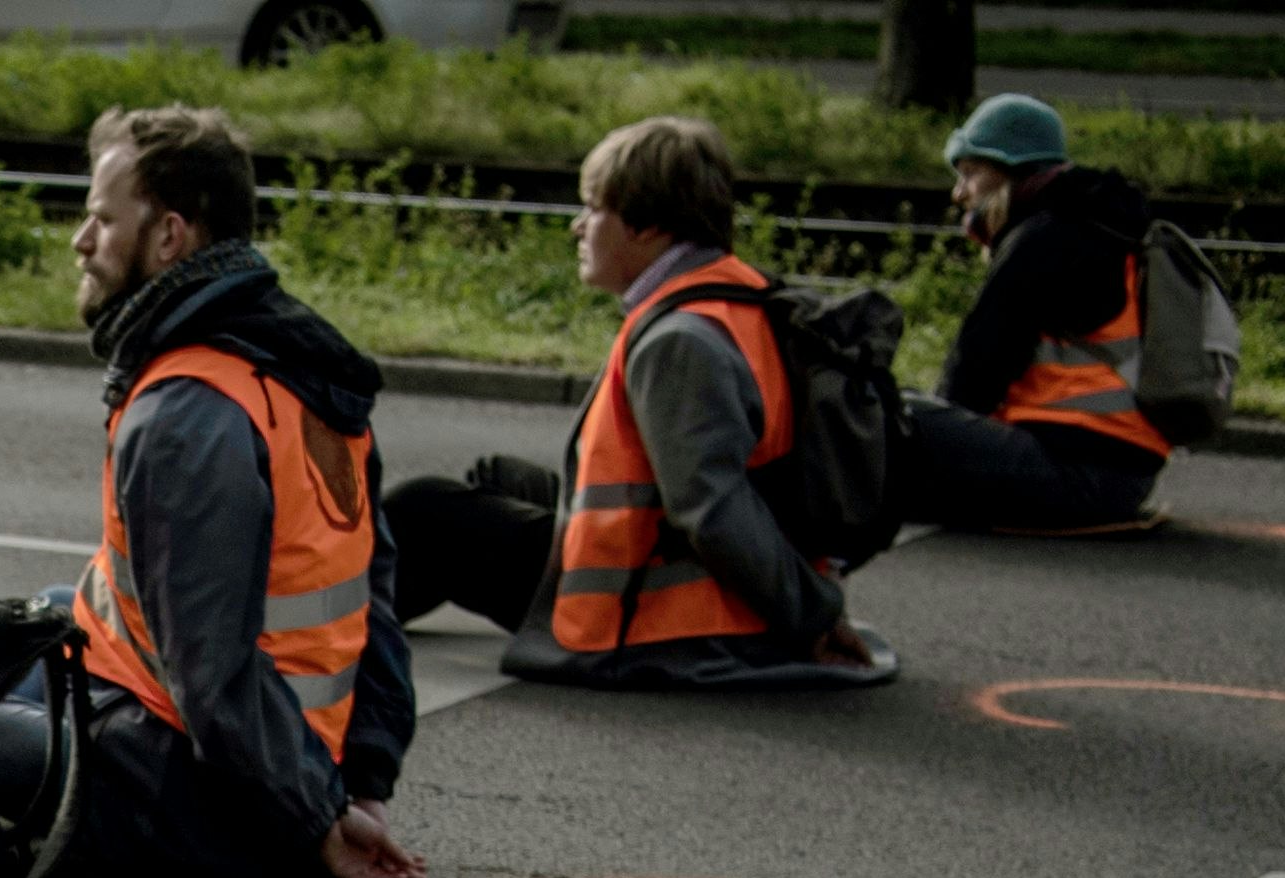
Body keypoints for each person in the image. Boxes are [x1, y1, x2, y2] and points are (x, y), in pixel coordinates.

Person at [383, 117, 894, 692]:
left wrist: (814, 618)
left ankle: (306, 623)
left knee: (425, 510)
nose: (578, 227)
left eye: (593, 208)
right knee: (496, 478)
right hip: (676, 573)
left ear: (647, 226)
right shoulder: (737, 295)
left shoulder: (681, 340)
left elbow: (714, 510)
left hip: (650, 611)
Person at [57, 106, 422, 878]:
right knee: (12, 632)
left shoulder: (187, 411)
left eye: (99, 218)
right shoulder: (297, 368)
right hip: (292, 759)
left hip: (208, 786)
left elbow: (214, 677)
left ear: (169, 238)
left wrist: (320, 817)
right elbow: (375, 612)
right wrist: (362, 783)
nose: (81, 243)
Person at [895, 94, 1172, 535]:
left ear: (1010, 172)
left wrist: (930, 431)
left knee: (891, 410)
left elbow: (973, 374)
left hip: (1075, 471)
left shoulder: (1042, 238)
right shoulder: (1098, 228)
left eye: (970, 174)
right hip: (1120, 474)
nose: (958, 193)